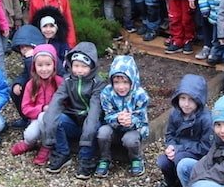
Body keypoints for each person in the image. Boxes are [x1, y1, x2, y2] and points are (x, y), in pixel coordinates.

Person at [41, 43, 105, 179]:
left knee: (94, 127)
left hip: (91, 121)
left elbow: (95, 110)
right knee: (55, 118)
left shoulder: (97, 83)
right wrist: (49, 123)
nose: (79, 70)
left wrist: (88, 132)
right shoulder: (68, 80)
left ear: (91, 66)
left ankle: (86, 158)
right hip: (74, 119)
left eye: (84, 66)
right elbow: (57, 99)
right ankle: (62, 153)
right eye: (76, 66)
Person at [154, 74, 214, 187]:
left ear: (199, 100)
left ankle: (188, 186)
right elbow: (170, 134)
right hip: (179, 150)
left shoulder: (206, 119)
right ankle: (171, 181)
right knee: (162, 161)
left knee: (179, 158)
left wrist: (179, 149)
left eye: (191, 99)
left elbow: (205, 147)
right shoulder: (175, 113)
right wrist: (170, 146)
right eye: (183, 98)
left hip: (197, 155)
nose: (186, 104)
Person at [96, 54, 149, 177]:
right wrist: (117, 118)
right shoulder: (107, 93)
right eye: (116, 82)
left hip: (133, 129)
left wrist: (131, 120)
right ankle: (104, 159)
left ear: (132, 80)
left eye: (125, 82)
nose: (121, 87)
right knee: (102, 133)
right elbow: (107, 114)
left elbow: (142, 118)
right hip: (113, 127)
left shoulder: (140, 95)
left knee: (130, 140)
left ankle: (136, 158)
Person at [10, 44, 63, 163]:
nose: (44, 69)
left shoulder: (59, 82)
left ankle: (46, 146)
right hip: (36, 118)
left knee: (44, 117)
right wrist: (42, 108)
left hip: (54, 120)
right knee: (30, 135)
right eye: (40, 65)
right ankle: (29, 143)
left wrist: (52, 109)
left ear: (54, 64)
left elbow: (65, 103)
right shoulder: (31, 84)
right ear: (34, 66)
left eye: (48, 65)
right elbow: (25, 108)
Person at [8, 24, 45, 129]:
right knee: (15, 90)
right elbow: (26, 73)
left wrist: (30, 60)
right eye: (21, 47)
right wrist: (18, 83)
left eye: (26, 46)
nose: (24, 49)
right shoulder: (27, 59)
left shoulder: (43, 56)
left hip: (45, 88)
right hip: (32, 85)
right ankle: (26, 118)